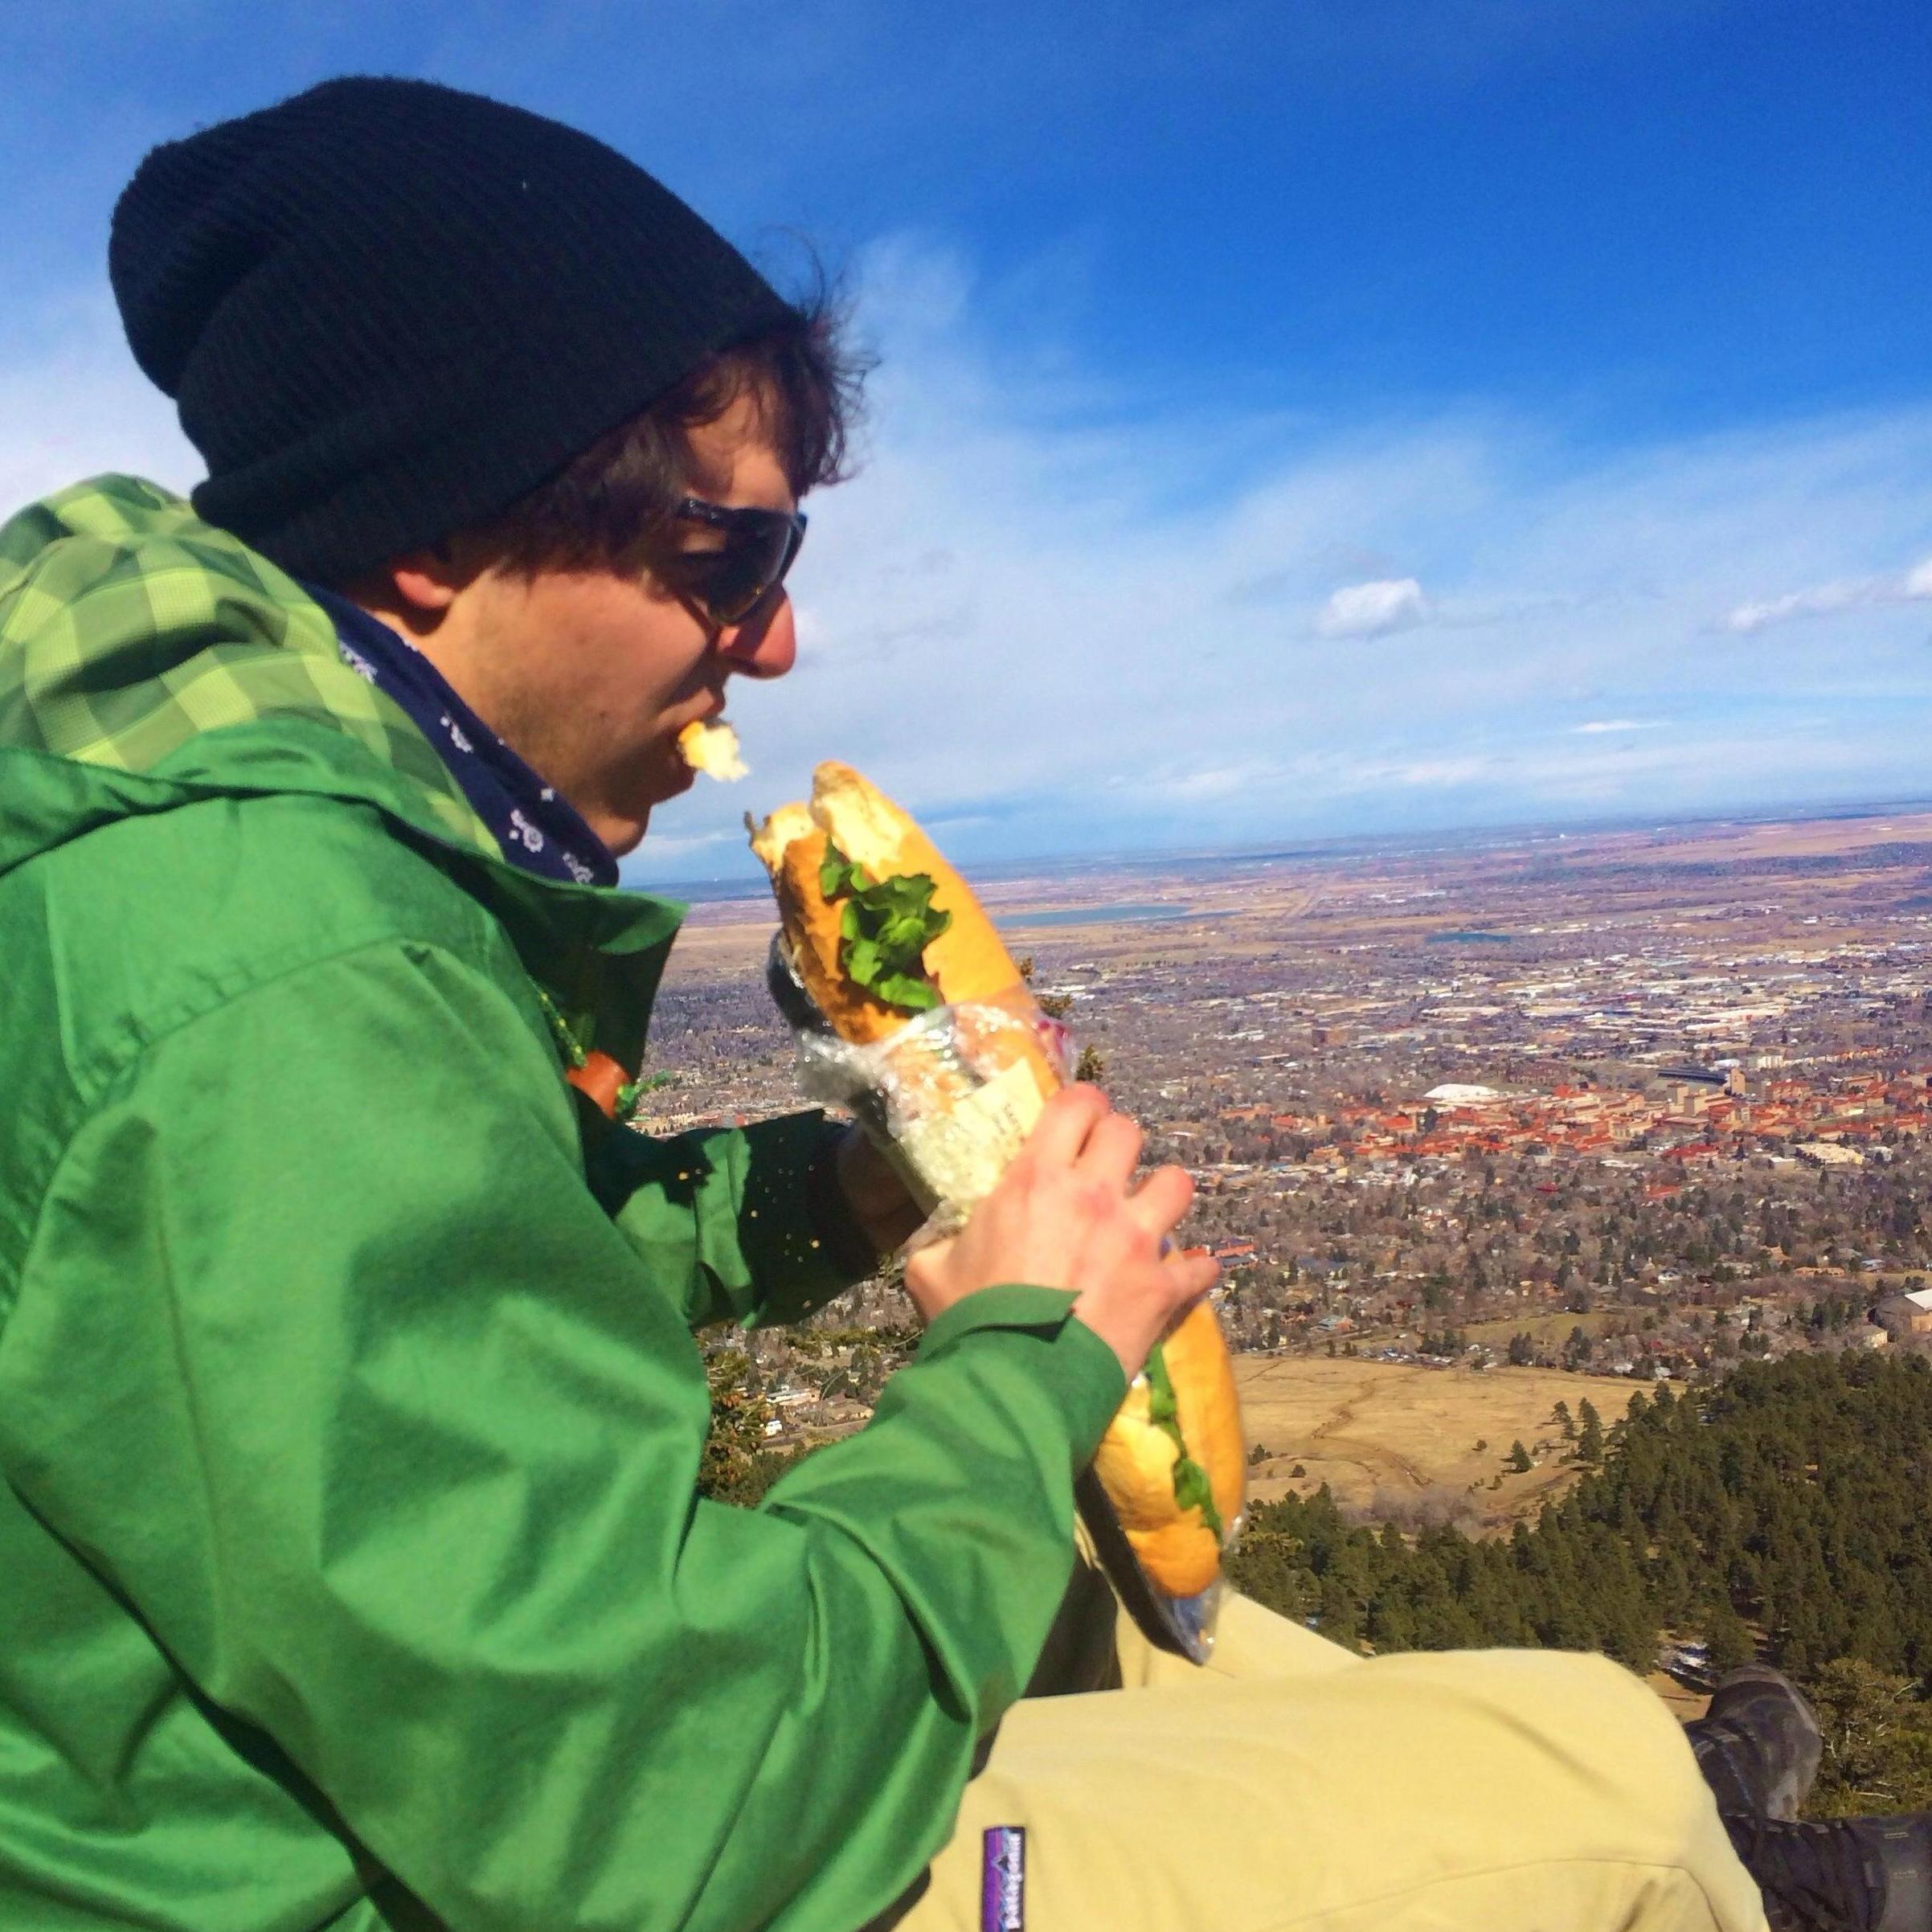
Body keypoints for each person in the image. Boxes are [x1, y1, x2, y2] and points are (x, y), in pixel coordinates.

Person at [0, 74, 1922, 1932]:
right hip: (497, 1851)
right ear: (433, 521)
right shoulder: (283, 971)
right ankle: (1694, 1850)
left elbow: (476, 1281)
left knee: (1151, 1617)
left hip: (445, 1768)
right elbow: (673, 1813)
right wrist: (1018, 1346)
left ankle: (1684, 1838)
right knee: (1588, 1778)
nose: (775, 632)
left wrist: (842, 1192)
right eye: (720, 551)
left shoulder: (254, 851)